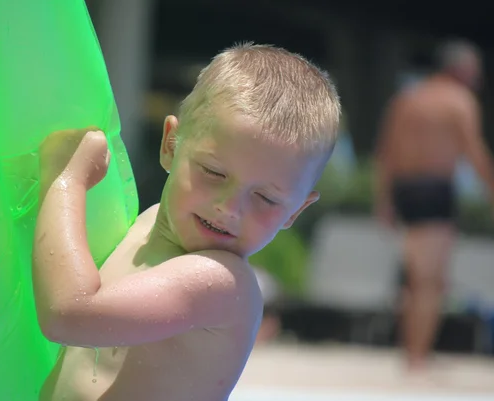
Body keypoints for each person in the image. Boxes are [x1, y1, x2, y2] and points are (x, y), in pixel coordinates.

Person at [33, 43, 341, 401]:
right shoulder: (146, 223)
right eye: (213, 172)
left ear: (295, 212)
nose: (230, 208)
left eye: (266, 198)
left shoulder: (221, 283)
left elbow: (69, 314)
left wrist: (66, 181)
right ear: (170, 144)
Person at [374, 39, 494, 373]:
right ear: (461, 70)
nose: (478, 79)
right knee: (430, 282)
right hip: (435, 189)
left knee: (414, 279)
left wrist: (383, 202)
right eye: (475, 72)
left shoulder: (408, 99)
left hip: (405, 191)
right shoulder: (459, 101)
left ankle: (413, 352)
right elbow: (474, 151)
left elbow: (386, 153)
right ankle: (417, 357)